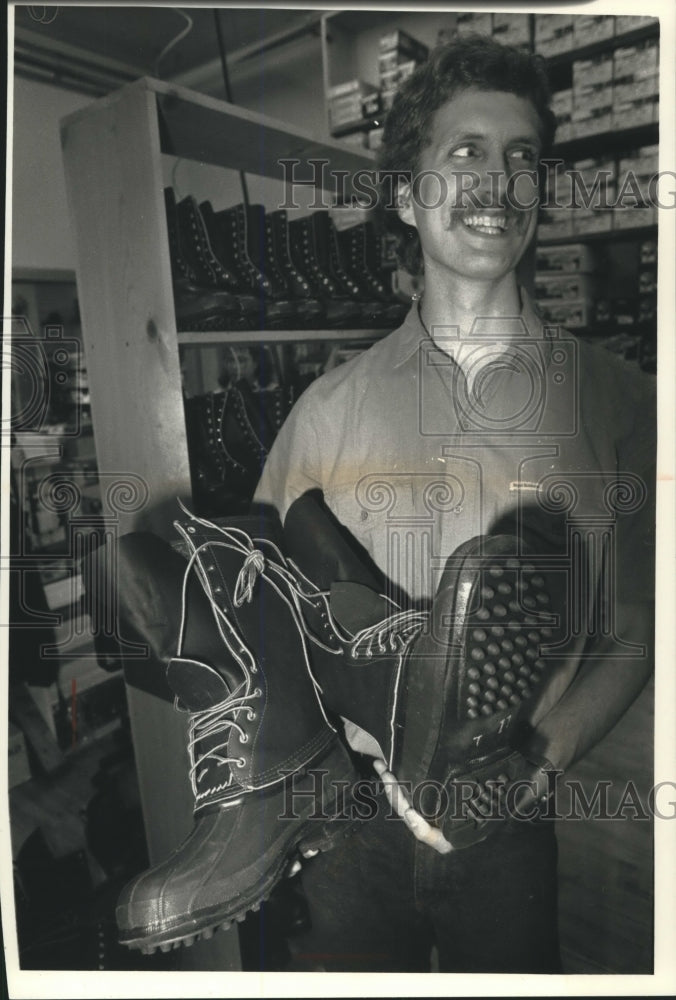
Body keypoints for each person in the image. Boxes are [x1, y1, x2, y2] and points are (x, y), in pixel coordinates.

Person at [253, 34, 656, 972]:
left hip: (513, 817)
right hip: (351, 816)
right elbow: (267, 608)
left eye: (522, 158)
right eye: (465, 153)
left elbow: (637, 622)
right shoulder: (327, 411)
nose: (500, 181)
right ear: (404, 193)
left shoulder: (622, 404)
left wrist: (532, 768)